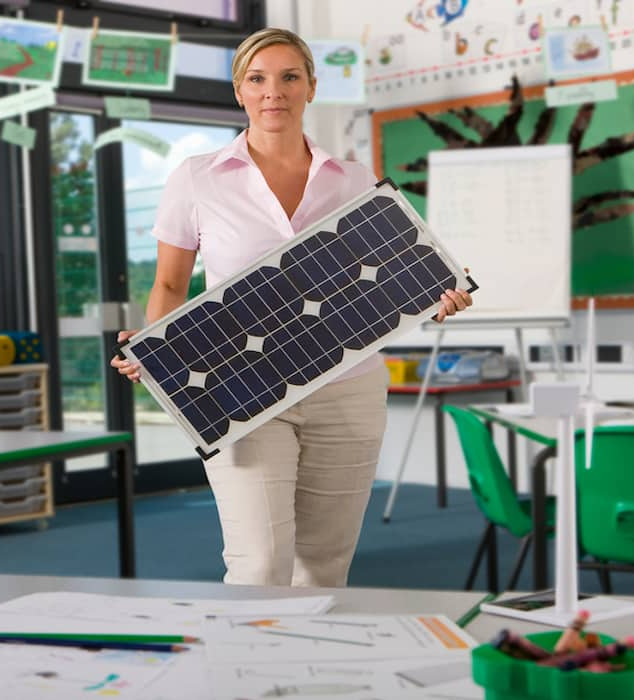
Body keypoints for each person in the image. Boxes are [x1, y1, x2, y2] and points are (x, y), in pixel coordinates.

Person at [111, 27, 473, 587]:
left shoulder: (354, 180)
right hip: (240, 389)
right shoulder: (197, 179)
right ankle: (244, 674)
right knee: (259, 564)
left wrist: (436, 297)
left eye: (288, 77)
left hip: (349, 388)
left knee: (324, 565)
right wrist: (158, 350)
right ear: (239, 90)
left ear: (310, 87)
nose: (272, 91)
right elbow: (168, 284)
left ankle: (308, 672)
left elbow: (383, 279)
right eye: (257, 79)